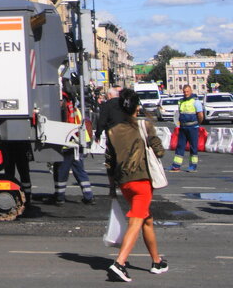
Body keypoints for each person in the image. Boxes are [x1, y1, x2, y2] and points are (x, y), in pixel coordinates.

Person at [105, 87, 168, 281]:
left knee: (146, 219)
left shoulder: (112, 131)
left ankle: (157, 261)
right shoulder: (145, 125)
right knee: (136, 220)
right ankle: (120, 263)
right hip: (142, 180)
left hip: (124, 183)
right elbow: (159, 151)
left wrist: (112, 187)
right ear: (137, 107)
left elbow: (109, 162)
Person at [53, 96, 95, 204]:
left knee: (61, 172)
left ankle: (59, 197)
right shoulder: (75, 110)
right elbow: (81, 125)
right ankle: (88, 196)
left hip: (66, 146)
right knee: (80, 171)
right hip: (77, 144)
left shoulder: (60, 111)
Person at [171, 84, 204, 172]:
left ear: (191, 91)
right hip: (183, 128)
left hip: (193, 128)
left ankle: (193, 166)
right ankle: (176, 165)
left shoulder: (195, 101)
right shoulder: (181, 101)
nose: (186, 93)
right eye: (184, 92)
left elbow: (200, 115)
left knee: (193, 147)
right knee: (180, 146)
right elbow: (179, 113)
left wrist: (198, 124)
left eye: (187, 91)